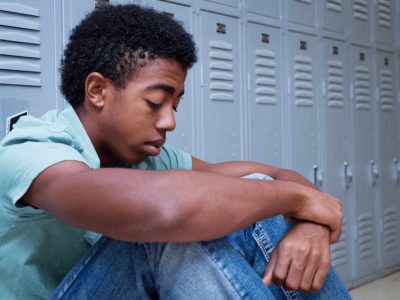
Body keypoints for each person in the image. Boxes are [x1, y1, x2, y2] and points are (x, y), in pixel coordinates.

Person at [0, 4, 351, 300]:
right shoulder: (34, 148)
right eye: (155, 103)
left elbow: (274, 177)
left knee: (251, 196)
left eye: (175, 106)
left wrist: (308, 224)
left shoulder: (147, 160)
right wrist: (299, 201)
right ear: (97, 91)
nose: (169, 122)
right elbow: (168, 208)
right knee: (169, 227)